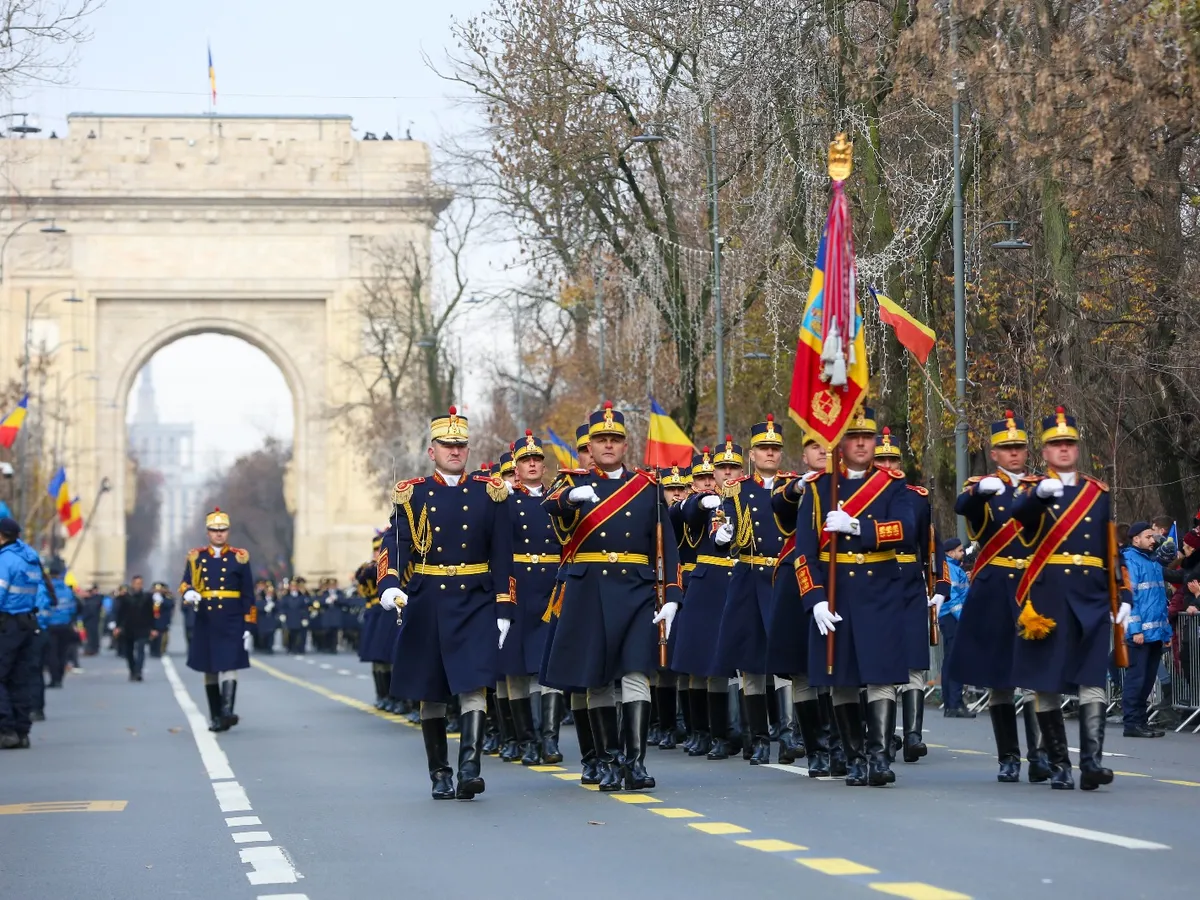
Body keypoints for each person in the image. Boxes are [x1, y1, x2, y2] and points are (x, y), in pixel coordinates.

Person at [543, 401, 683, 792]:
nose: (608, 446)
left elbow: (666, 545)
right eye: (600, 440)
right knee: (597, 679)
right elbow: (549, 507)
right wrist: (571, 499)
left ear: (625, 445)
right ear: (590, 444)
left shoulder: (647, 486)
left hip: (636, 589)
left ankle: (634, 763)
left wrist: (672, 595)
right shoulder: (571, 484)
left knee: (636, 672)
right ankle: (606, 760)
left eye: (614, 439)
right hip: (588, 589)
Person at [377, 406, 513, 801]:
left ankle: (470, 768)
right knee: (431, 689)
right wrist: (388, 584)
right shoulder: (413, 493)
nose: (454, 451)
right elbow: (396, 543)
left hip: (475, 597)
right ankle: (440, 772)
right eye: (446, 445)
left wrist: (505, 606)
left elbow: (504, 555)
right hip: (428, 599)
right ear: (431, 449)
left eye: (460, 445)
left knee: (475, 683)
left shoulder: (490, 493)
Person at [790, 405, 915, 787]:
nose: (861, 444)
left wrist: (857, 525)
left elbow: (906, 529)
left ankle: (878, 757)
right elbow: (804, 554)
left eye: (868, 437)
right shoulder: (818, 488)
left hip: (879, 590)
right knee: (841, 678)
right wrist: (815, 600)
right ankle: (855, 757)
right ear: (841, 442)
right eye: (854, 437)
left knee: (880, 676)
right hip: (836, 591)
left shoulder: (893, 484)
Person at [1010, 407, 1129, 791]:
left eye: (1069, 444)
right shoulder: (1032, 492)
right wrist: (1039, 498)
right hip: (1050, 597)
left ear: (1077, 449)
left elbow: (1111, 548)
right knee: (1046, 683)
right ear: (1044, 452)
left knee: (1093, 678)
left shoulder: (1097, 493)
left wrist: (1123, 592)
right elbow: (1020, 518)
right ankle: (1059, 764)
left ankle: (1091, 763)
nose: (1063, 450)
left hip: (1092, 597)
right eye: (1055, 444)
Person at [945, 411, 1051, 784]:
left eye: (1019, 447)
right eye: (1006, 449)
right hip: (995, 586)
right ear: (994, 453)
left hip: (1033, 588)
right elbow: (965, 509)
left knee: (1038, 675)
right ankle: (1009, 757)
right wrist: (977, 493)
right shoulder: (983, 487)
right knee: (1000, 678)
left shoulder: (1043, 486)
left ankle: (1041, 755)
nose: (1014, 454)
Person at [713, 416, 795, 765]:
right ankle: (758, 737)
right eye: (764, 448)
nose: (770, 454)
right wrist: (722, 534)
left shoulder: (793, 486)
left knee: (787, 661)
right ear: (752, 454)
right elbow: (723, 524)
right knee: (752, 664)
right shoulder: (736, 489)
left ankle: (789, 733)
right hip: (749, 574)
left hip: (783, 576)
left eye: (775, 448)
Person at [872, 427, 951, 761]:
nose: (888, 465)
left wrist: (940, 586)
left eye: (893, 459)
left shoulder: (916, 498)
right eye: (882, 460)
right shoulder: (864, 497)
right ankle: (883, 736)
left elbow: (931, 544)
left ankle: (914, 734)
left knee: (916, 661)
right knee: (881, 661)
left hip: (910, 584)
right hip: (876, 581)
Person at [671, 443, 741, 760]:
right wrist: (702, 500)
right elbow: (684, 511)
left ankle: (736, 731)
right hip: (706, 587)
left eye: (711, 479)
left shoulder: (742, 499)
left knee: (734, 667)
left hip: (738, 582)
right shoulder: (696, 505)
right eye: (703, 479)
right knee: (701, 664)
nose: (710, 483)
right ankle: (704, 732)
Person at [499, 431, 565, 766]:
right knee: (516, 669)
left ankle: (549, 739)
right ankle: (525, 739)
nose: (532, 464)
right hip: (519, 586)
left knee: (548, 665)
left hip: (551, 586)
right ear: (517, 466)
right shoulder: (507, 501)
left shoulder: (557, 499)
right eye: (526, 460)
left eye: (537, 459)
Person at [179, 508, 255, 732]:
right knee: (210, 668)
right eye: (214, 530)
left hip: (232, 619)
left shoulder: (239, 557)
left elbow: (248, 593)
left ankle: (227, 711)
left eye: (222, 530)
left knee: (230, 664)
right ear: (208, 532)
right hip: (207, 619)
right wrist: (188, 593)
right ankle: (215, 716)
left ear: (228, 532)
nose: (219, 534)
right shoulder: (196, 557)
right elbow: (185, 583)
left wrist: (249, 625)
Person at [0, 517, 51, 749]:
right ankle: (22, 732)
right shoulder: (29, 557)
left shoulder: (5, 560)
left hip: (7, 624)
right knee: (20, 679)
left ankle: (6, 729)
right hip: (27, 624)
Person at [1121, 522, 1176, 737]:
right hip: (1140, 634)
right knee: (1137, 679)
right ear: (1135, 538)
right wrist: (1135, 630)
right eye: (1148, 536)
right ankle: (1132, 723)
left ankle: (1141, 721)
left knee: (1147, 679)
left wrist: (1166, 632)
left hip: (1154, 633)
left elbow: (1159, 601)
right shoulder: (1130, 561)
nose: (1153, 540)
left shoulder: (1151, 562)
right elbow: (1130, 599)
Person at [938, 538, 972, 716]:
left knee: (950, 660)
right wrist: (963, 619)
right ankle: (954, 703)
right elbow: (953, 598)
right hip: (953, 618)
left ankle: (952, 703)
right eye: (960, 550)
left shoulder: (953, 568)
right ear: (950, 553)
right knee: (954, 660)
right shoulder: (950, 568)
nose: (963, 553)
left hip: (950, 617)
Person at [43, 560, 78, 688]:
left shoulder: (46, 589)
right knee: (62, 653)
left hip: (50, 626)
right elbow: (73, 609)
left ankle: (54, 679)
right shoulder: (67, 590)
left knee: (51, 654)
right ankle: (60, 678)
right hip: (65, 626)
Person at [114, 575, 155, 681]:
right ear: (132, 584)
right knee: (129, 651)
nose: (138, 585)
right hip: (128, 628)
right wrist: (118, 627)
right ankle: (132, 670)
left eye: (140, 583)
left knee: (141, 650)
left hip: (143, 628)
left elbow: (151, 614)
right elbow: (120, 613)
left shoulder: (147, 597)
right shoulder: (125, 597)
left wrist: (153, 628)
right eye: (136, 583)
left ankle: (138, 671)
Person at [149, 583, 174, 658]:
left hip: (162, 620)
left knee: (162, 637)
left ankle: (159, 650)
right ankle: (153, 649)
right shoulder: (150, 596)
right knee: (152, 636)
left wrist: (162, 600)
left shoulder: (167, 597)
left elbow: (170, 605)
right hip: (152, 619)